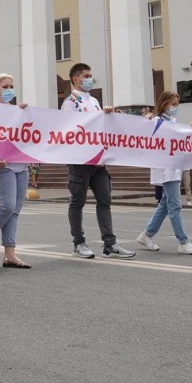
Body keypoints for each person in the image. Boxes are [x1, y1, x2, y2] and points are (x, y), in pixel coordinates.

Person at [62, 62, 136, 259]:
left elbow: (101, 127)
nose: (90, 79)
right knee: (78, 201)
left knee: (105, 200)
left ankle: (109, 243)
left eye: (90, 76)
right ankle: (79, 243)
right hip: (80, 160)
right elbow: (69, 129)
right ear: (76, 79)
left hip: (99, 160)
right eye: (86, 76)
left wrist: (108, 115)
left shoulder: (94, 101)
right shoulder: (70, 102)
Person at [134, 91, 192, 255]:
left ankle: (146, 235)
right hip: (165, 169)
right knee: (175, 205)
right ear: (164, 104)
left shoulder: (173, 122)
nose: (176, 108)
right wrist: (147, 121)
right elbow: (143, 135)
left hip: (174, 167)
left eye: (177, 104)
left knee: (165, 204)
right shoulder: (156, 121)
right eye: (173, 104)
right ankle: (183, 242)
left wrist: (191, 130)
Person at [0, 73, 33, 268]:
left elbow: (27, 134)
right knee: (6, 206)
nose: (9, 90)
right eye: (5, 86)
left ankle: (10, 254)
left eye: (11, 86)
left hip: (20, 165)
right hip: (0, 166)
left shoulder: (18, 111)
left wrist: (27, 113)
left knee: (15, 210)